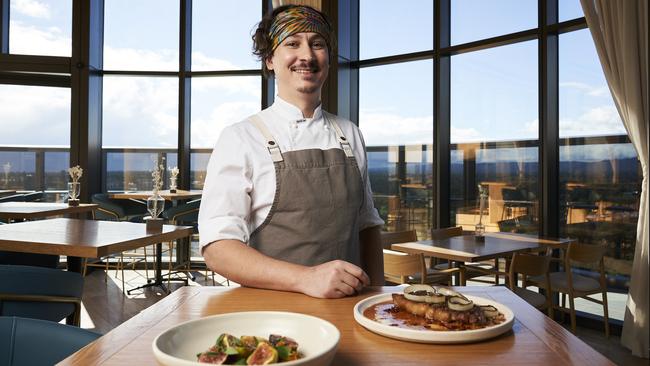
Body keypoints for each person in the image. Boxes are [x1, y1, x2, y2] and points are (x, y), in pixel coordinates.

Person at [198, 4, 384, 299]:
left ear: (328, 58)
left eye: (318, 44)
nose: (308, 56)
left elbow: (367, 227)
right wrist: (306, 278)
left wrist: (377, 296)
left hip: (349, 310)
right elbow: (218, 249)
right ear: (270, 59)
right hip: (271, 315)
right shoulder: (241, 138)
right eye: (293, 43)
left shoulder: (349, 134)